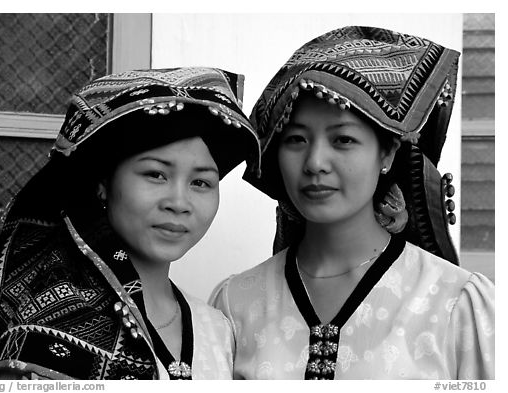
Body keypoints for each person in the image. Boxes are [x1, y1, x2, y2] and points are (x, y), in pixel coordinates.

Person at [211, 26, 494, 380]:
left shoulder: (455, 302)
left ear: (387, 153)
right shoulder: (235, 304)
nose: (315, 162)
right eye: (296, 138)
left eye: (342, 139)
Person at [0, 67, 260, 380]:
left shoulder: (219, 329)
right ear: (103, 183)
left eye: (201, 183)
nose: (178, 203)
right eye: (155, 174)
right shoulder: (48, 321)